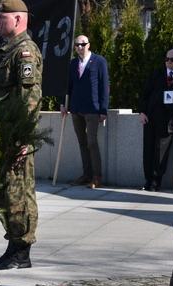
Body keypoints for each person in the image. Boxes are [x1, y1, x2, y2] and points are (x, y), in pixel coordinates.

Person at [0, 0, 42, 271]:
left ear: (17, 19)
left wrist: (22, 138)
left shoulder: (25, 52)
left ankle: (20, 251)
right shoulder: (5, 50)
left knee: (18, 191)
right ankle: (15, 247)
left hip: (15, 135)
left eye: (1, 17)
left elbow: (29, 99)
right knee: (6, 192)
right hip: (0, 134)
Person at [61, 35, 109, 189]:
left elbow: (104, 86)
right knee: (82, 142)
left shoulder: (99, 61)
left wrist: (104, 109)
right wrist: (63, 104)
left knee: (91, 142)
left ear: (89, 45)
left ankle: (97, 177)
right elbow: (67, 85)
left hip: (93, 109)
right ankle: (86, 174)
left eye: (83, 44)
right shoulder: (73, 63)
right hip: (76, 108)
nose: (80, 47)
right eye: (77, 45)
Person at [138, 48, 173, 191]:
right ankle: (148, 180)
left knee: (161, 153)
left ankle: (156, 181)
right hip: (151, 118)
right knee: (148, 150)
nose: (168, 62)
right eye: (166, 59)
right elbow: (145, 94)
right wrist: (142, 112)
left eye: (172, 60)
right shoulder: (157, 74)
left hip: (169, 121)